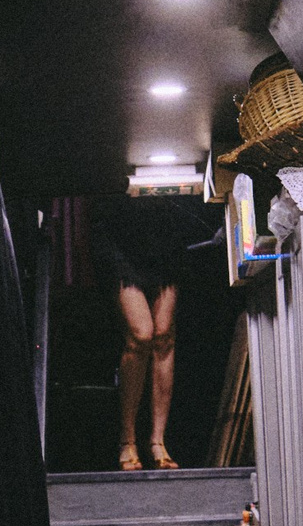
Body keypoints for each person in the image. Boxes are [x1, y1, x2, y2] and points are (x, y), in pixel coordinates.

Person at [90, 187, 218, 469]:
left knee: (163, 336)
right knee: (140, 334)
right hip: (119, 228)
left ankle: (158, 441)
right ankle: (127, 440)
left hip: (163, 230)